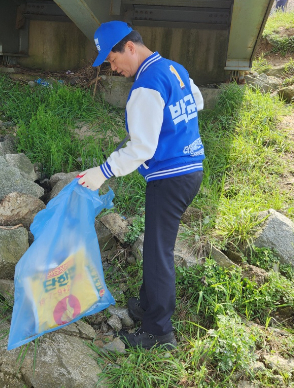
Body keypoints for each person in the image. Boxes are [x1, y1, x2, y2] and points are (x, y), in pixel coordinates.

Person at [77, 21, 205, 350]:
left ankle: (158, 332)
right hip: (189, 169)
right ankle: (148, 305)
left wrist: (102, 171)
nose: (112, 67)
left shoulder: (146, 85)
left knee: (158, 252)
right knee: (155, 245)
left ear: (130, 48)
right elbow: (197, 102)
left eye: (112, 59)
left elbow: (142, 149)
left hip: (170, 176)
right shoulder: (174, 69)